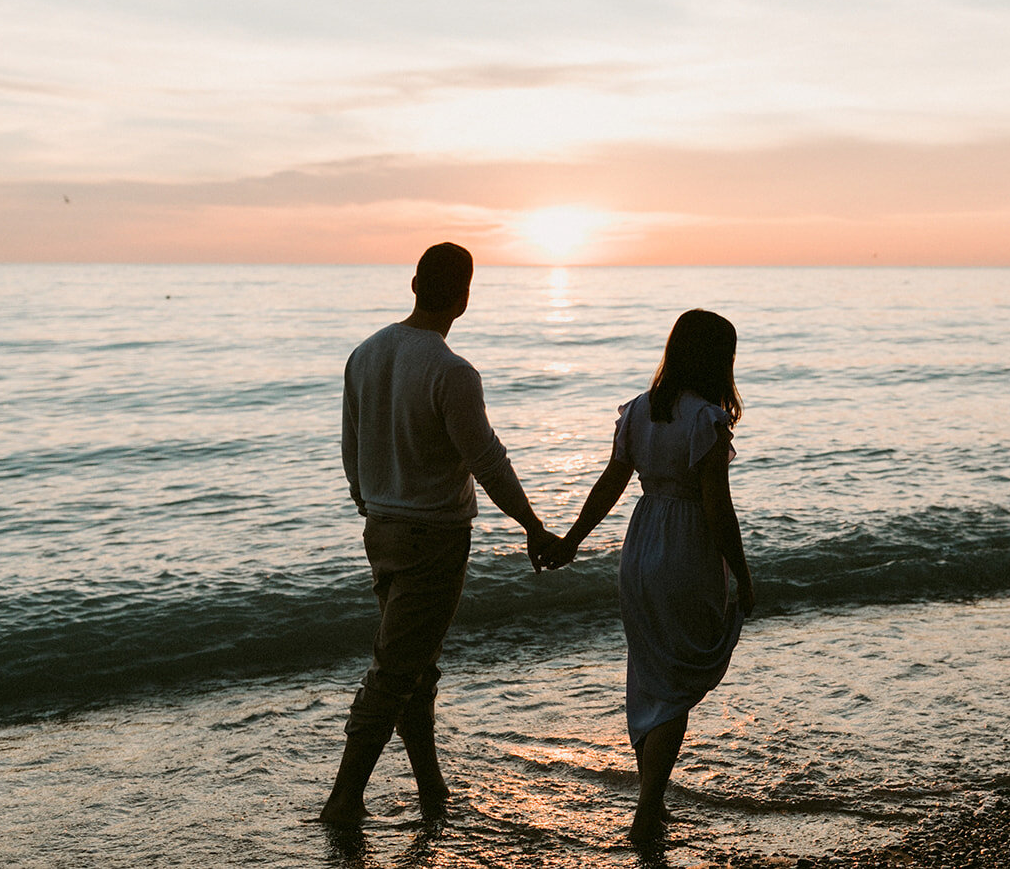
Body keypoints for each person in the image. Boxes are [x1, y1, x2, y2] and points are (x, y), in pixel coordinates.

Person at [320, 242, 559, 825]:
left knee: (414, 667)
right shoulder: (452, 372)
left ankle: (432, 788)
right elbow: (489, 462)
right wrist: (534, 527)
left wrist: (371, 504)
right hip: (433, 536)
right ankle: (344, 798)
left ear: (413, 284)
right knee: (396, 670)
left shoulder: (365, 353)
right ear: (463, 297)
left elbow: (351, 450)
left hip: (381, 527)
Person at [544, 308, 754, 842]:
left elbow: (611, 483)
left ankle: (650, 804)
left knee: (649, 675)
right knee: (677, 682)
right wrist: (744, 577)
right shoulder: (707, 419)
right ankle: (646, 810)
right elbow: (718, 509)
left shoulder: (639, 411)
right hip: (686, 548)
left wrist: (572, 541)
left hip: (640, 548)